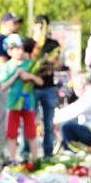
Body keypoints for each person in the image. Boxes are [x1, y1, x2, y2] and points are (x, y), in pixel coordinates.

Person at [0, 34, 43, 163]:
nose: (19, 51)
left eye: (21, 48)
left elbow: (40, 81)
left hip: (28, 102)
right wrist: (16, 75)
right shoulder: (7, 66)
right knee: (12, 132)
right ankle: (12, 159)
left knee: (31, 132)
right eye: (16, 48)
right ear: (9, 50)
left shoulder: (31, 64)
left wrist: (30, 76)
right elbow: (2, 86)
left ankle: (35, 160)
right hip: (13, 103)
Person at [0, 12, 22, 141]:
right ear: (3, 23)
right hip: (0, 87)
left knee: (9, 124)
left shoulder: (12, 40)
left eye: (17, 22)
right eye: (13, 22)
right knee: (0, 124)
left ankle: (5, 155)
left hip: (9, 87)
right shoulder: (0, 40)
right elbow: (1, 63)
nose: (16, 25)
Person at [31, 15, 61, 158]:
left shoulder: (53, 44)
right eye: (39, 25)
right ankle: (29, 154)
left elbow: (55, 63)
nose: (42, 28)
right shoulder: (29, 44)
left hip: (48, 87)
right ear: (34, 26)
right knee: (30, 121)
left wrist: (46, 64)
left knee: (48, 123)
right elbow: (28, 64)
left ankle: (48, 154)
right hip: (31, 88)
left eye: (44, 25)